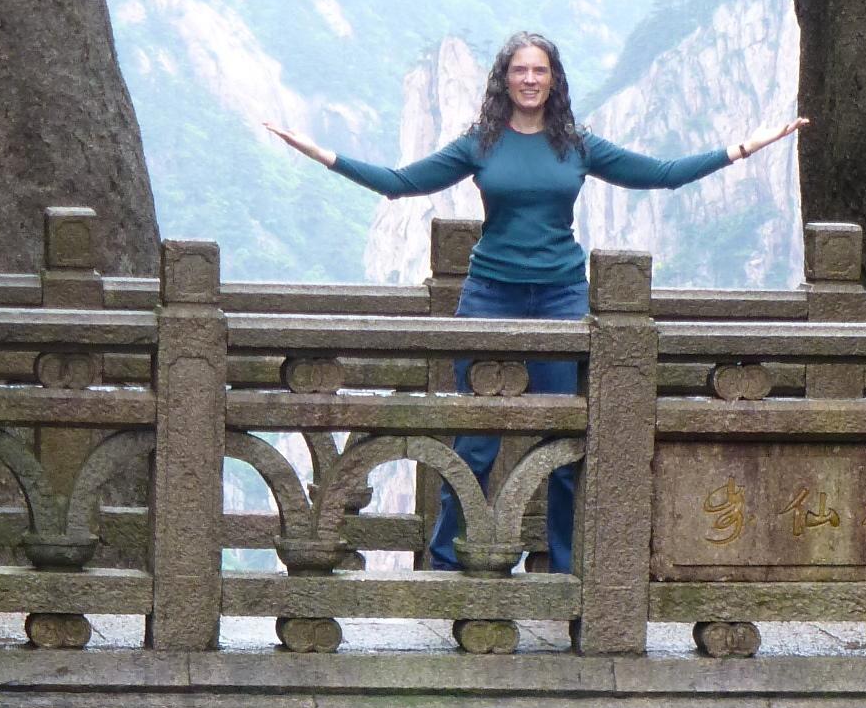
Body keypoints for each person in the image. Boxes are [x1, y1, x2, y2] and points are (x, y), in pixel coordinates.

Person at [266, 32, 804, 577]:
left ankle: (564, 569)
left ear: (553, 79)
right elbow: (401, 183)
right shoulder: (481, 143)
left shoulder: (575, 145)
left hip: (561, 296)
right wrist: (323, 155)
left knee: (564, 439)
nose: (529, 80)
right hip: (488, 294)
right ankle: (447, 563)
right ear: (504, 79)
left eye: (539, 71)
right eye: (519, 70)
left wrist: (743, 148)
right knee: (474, 438)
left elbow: (660, 176)